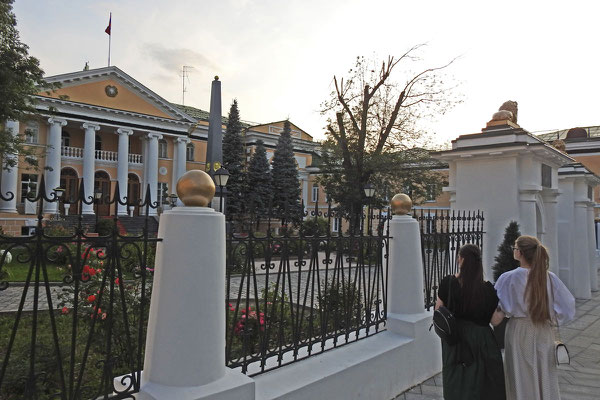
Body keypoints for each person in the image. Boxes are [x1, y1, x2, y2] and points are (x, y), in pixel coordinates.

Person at [495, 235, 575, 400]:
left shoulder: (508, 278)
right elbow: (568, 307)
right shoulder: (549, 278)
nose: (514, 251)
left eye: (515, 248)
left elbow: (499, 306)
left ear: (520, 253)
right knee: (544, 373)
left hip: (518, 331)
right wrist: (553, 319)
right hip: (542, 330)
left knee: (520, 376)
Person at [436, 243, 506, 400]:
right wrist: (504, 308)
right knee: (482, 384)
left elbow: (438, 310)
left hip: (455, 341)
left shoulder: (448, 283)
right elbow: (495, 321)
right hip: (481, 340)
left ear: (460, 260)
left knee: (456, 381)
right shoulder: (487, 289)